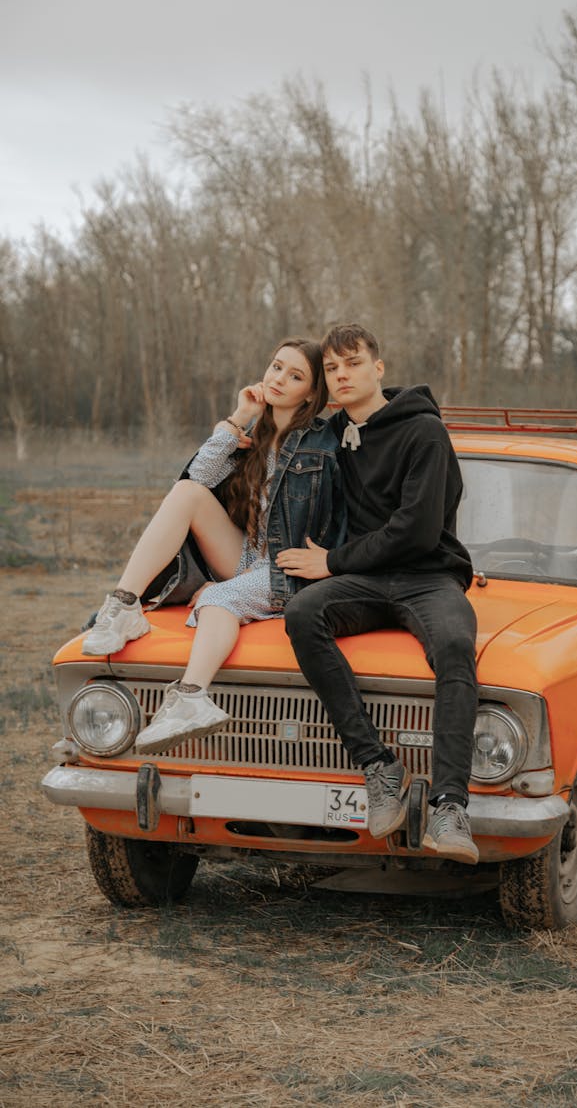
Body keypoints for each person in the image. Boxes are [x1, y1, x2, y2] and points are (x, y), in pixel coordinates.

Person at [82, 337, 344, 755]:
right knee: (188, 495)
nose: (278, 379)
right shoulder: (255, 434)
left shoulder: (320, 443)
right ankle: (124, 603)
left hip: (287, 569)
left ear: (311, 393)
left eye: (295, 376)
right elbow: (194, 479)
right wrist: (239, 417)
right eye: (276, 367)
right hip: (245, 557)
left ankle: (190, 696)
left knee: (218, 597)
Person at [279, 324, 479, 864]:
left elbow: (415, 530)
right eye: (332, 369)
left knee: (458, 647)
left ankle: (450, 806)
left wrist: (333, 561)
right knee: (302, 614)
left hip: (427, 574)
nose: (342, 375)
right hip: (366, 580)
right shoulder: (332, 434)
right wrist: (252, 405)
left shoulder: (424, 434)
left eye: (353, 363)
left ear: (379, 369)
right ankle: (378, 766)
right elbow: (278, 437)